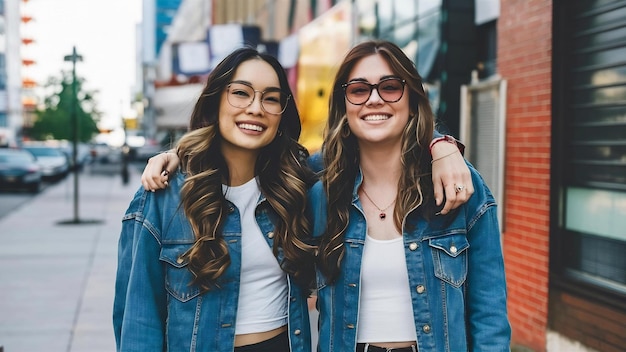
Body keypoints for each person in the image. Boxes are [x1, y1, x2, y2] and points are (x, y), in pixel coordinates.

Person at [309, 40, 511, 352]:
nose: (374, 100)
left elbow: (490, 315)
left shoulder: (458, 188)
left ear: (412, 99)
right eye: (359, 90)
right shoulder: (321, 193)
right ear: (344, 104)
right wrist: (442, 143)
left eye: (390, 87)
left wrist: (440, 144)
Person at [113, 47, 317, 352]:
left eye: (271, 98)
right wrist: (175, 155)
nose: (256, 108)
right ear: (216, 100)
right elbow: (139, 321)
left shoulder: (295, 188)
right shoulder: (164, 197)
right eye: (241, 93)